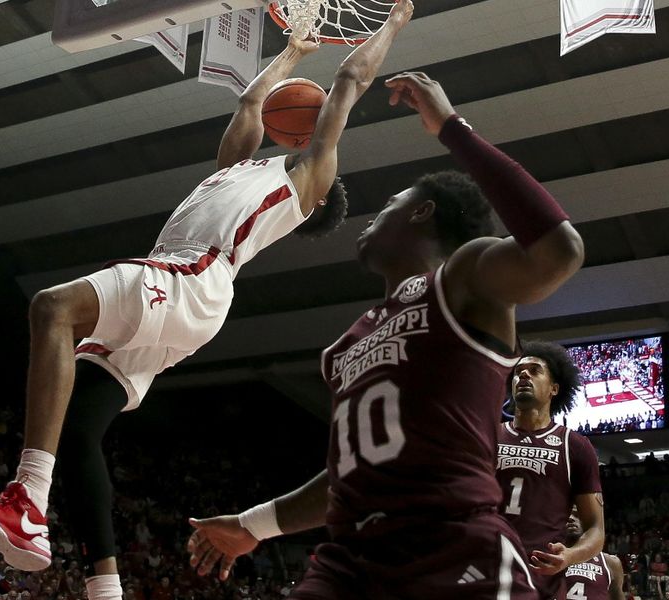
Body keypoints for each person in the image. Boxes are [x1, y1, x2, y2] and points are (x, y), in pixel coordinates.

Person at [0, 0, 414, 598]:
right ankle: (103, 586)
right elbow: (249, 104)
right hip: (181, 294)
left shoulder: (306, 182)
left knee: (52, 308)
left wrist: (394, 21)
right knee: (79, 427)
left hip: (192, 277)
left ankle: (28, 499)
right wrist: (292, 52)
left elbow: (350, 80)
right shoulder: (237, 170)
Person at [187, 68, 585, 598]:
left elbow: (560, 250)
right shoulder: (347, 343)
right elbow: (348, 476)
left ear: (422, 211)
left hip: (452, 541)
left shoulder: (464, 279)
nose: (371, 217)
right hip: (350, 558)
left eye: (391, 203)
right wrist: (250, 525)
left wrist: (451, 128)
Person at [497, 341, 605, 599]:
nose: (523, 374)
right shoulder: (489, 435)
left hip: (541, 583)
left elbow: (595, 529)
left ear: (554, 389)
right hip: (486, 572)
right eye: (519, 371)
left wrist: (570, 555)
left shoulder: (575, 446)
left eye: (535, 371)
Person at [563, 510, 624, 600]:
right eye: (566, 516)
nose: (571, 518)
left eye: (577, 515)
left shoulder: (610, 562)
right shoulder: (550, 558)